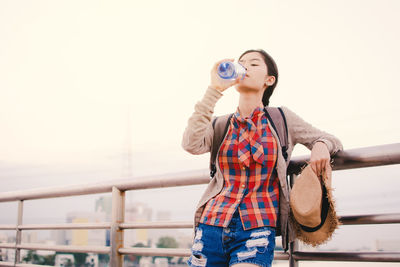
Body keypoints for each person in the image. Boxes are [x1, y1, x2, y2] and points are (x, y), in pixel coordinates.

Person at [182, 49, 343, 267]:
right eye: (242, 63)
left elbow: (328, 138)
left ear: (269, 79)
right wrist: (214, 90)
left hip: (257, 227)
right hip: (211, 224)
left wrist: (322, 145)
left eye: (254, 64)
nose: (245, 66)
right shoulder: (221, 124)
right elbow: (191, 144)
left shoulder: (281, 119)